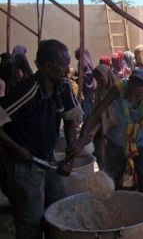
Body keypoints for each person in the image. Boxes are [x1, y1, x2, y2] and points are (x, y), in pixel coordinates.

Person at [0, 39, 82, 239]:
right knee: (31, 220)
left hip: (46, 159)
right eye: (64, 65)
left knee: (60, 210)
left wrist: (71, 155)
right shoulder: (28, 91)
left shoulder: (63, 87)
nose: (67, 69)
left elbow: (71, 118)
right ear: (48, 67)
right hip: (24, 163)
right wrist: (16, 149)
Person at [67, 69, 143, 194]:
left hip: (141, 140)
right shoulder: (120, 87)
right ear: (128, 86)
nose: (132, 98)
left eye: (137, 96)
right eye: (130, 93)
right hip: (118, 138)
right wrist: (81, 139)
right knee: (112, 178)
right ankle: (112, 205)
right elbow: (96, 113)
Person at [92, 64, 117, 170]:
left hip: (116, 129)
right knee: (101, 155)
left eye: (101, 78)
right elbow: (98, 111)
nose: (99, 82)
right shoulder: (99, 90)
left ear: (107, 75)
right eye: (97, 80)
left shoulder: (118, 89)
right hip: (102, 127)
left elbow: (115, 114)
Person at [75, 47, 96, 120]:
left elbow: (88, 74)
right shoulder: (86, 60)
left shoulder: (83, 62)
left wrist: (79, 79)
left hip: (86, 87)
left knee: (87, 106)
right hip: (89, 87)